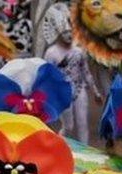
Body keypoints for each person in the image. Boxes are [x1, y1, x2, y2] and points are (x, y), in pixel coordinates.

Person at [43, 12, 101, 144]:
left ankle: (85, 153)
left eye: (70, 32)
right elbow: (47, 76)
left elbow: (86, 72)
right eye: (65, 33)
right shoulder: (51, 53)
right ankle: (60, 146)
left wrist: (96, 92)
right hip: (63, 93)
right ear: (58, 35)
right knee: (68, 126)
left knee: (82, 123)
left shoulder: (78, 51)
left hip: (80, 89)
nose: (68, 35)